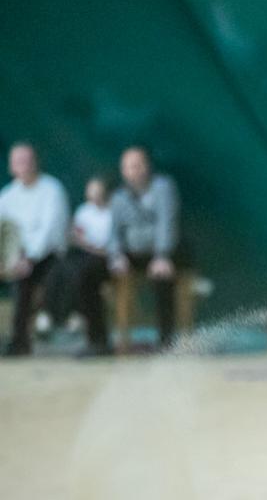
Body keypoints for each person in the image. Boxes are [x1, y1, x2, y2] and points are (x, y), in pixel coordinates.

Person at [0, 142, 70, 356]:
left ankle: (27, 336)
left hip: (50, 257)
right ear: (11, 166)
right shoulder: (7, 196)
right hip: (16, 257)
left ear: (36, 162)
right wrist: (9, 259)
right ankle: (17, 341)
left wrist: (29, 258)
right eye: (18, 161)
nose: (23, 165)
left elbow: (50, 232)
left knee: (27, 279)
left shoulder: (52, 189)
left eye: (27, 160)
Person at [108, 146, 179, 349]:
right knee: (88, 273)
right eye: (129, 167)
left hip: (162, 251)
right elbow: (114, 232)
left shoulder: (163, 187)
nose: (134, 171)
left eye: (138, 165)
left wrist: (162, 255)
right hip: (131, 254)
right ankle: (99, 341)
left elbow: (166, 222)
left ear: (147, 167)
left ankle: (166, 341)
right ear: (123, 171)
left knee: (163, 276)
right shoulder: (118, 197)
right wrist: (116, 256)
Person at [65, 175, 116, 356]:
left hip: (109, 262)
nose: (95, 196)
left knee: (84, 276)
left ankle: (97, 339)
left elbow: (109, 246)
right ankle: (66, 317)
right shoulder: (83, 211)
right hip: (84, 260)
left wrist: (93, 248)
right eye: (91, 192)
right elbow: (76, 237)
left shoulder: (115, 210)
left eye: (98, 191)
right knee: (70, 271)